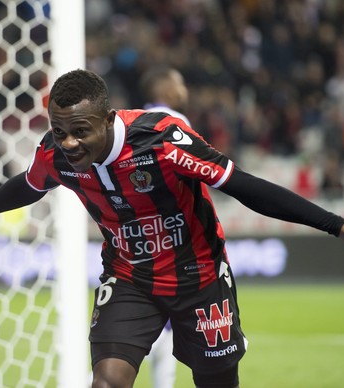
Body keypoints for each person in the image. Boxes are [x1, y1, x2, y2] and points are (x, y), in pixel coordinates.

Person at [0, 69, 344, 388]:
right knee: (108, 381)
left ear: (107, 118)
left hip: (200, 280)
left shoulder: (161, 140)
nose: (70, 142)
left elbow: (244, 186)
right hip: (130, 279)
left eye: (81, 130)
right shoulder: (54, 154)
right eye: (60, 131)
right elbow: (31, 186)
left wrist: (337, 226)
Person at [138, 65, 191, 388]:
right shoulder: (175, 123)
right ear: (167, 90)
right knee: (157, 332)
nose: (184, 88)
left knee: (157, 324)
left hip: (136, 236)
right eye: (180, 81)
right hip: (171, 235)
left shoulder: (130, 120)